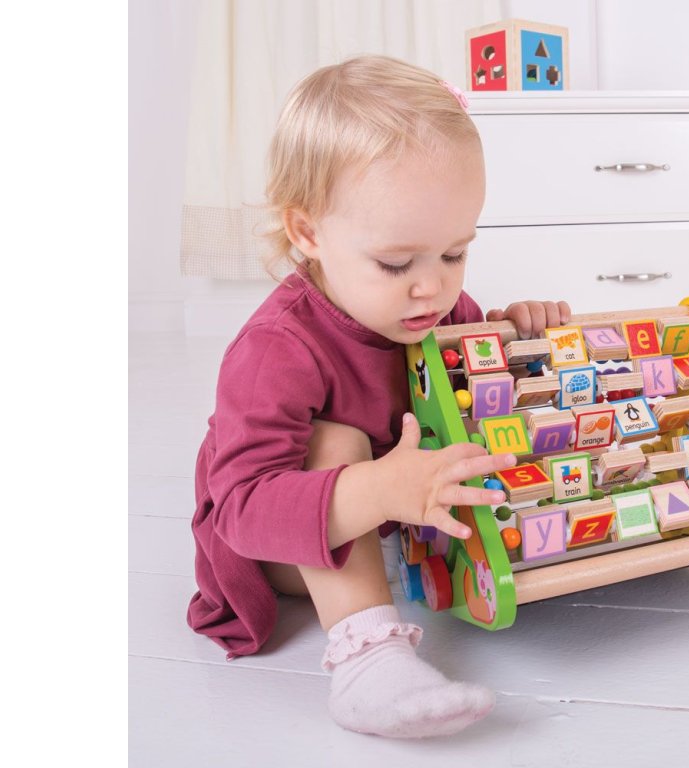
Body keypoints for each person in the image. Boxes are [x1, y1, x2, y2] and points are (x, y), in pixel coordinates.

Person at [186, 55, 571, 739]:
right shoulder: (277, 349)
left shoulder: (438, 312)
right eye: (396, 263)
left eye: (454, 254)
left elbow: (475, 392)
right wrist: (379, 490)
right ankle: (368, 662)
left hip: (398, 528)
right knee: (336, 439)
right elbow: (242, 513)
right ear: (308, 233)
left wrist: (513, 340)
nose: (433, 287)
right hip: (278, 544)